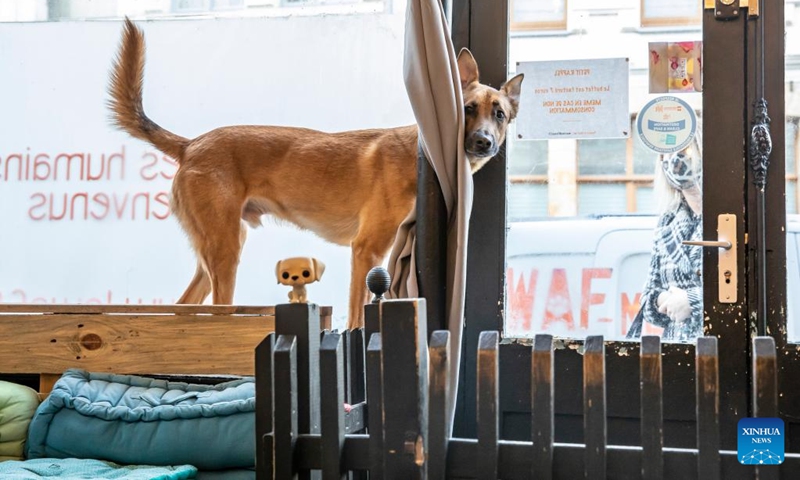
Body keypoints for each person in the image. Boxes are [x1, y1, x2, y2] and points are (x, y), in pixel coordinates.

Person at [627, 132, 703, 341]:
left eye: (683, 152)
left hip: (718, 348)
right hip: (676, 349)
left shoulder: (728, 218)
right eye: (666, 156)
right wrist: (667, 300)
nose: (674, 162)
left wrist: (692, 301)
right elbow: (648, 297)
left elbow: (745, 294)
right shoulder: (668, 222)